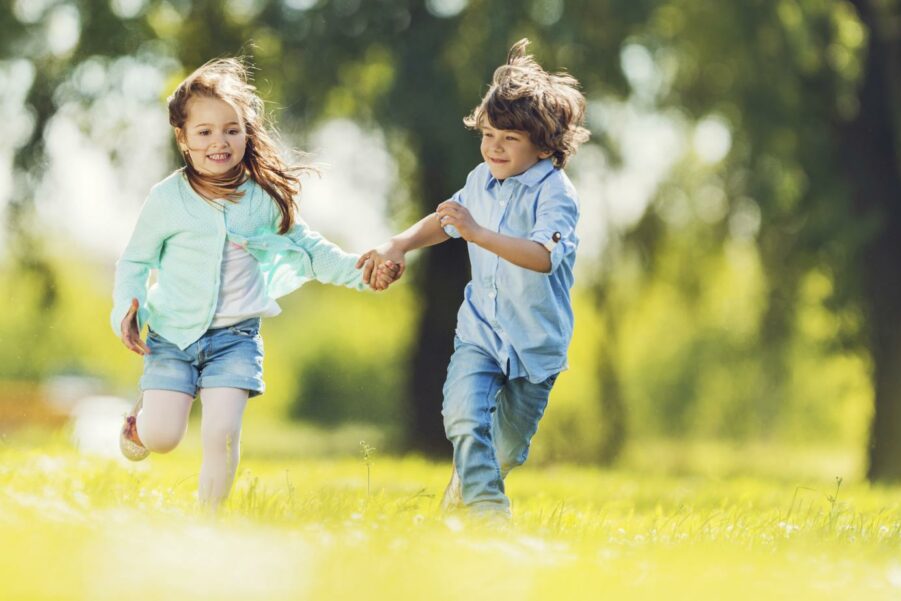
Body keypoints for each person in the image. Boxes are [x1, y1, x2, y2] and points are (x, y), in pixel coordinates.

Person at [112, 58, 396, 507]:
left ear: (247, 132)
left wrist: (362, 273)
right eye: (204, 132)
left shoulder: (261, 199)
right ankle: (140, 421)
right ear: (183, 139)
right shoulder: (167, 199)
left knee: (222, 435)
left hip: (236, 339)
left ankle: (208, 525)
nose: (219, 142)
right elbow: (135, 260)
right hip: (172, 335)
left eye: (231, 129)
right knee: (164, 437)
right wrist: (128, 311)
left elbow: (310, 249)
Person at [358, 39, 590, 519]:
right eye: (488, 135)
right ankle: (489, 516)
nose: (494, 148)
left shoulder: (555, 194)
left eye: (509, 139)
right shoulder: (480, 179)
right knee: (463, 417)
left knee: (505, 449)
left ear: (545, 145)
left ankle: (464, 492)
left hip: (534, 345)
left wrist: (478, 233)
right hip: (481, 333)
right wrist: (398, 244)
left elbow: (543, 257)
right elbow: (446, 220)